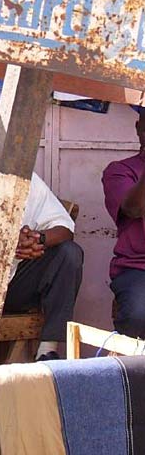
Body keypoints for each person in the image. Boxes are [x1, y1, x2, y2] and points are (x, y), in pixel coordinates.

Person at [0, 124, 83, 360]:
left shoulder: (25, 178)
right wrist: (3, 243)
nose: (9, 168)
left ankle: (48, 351)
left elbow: (65, 228)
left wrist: (36, 239)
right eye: (0, 161)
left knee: (69, 253)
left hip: (14, 285)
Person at [102, 108, 145, 339]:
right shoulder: (120, 170)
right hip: (138, 269)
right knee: (138, 315)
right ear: (139, 128)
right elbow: (134, 208)